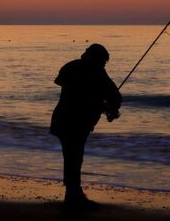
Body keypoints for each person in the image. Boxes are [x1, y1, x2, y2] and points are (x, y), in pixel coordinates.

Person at [49, 43, 121, 208]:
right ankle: (73, 195)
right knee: (75, 157)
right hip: (78, 122)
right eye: (103, 62)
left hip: (62, 119)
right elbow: (114, 95)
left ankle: (73, 193)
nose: (104, 65)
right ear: (98, 59)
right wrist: (110, 108)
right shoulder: (97, 72)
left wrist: (100, 103)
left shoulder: (71, 66)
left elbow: (59, 81)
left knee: (71, 156)